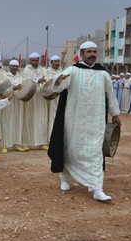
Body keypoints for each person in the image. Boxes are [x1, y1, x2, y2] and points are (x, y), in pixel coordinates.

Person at [44, 41, 121, 202]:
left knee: (95, 152)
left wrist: (115, 114)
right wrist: (58, 81)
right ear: (82, 53)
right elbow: (58, 87)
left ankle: (97, 188)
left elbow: (111, 95)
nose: (92, 54)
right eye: (89, 52)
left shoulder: (103, 74)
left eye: (94, 51)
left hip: (96, 120)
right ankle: (65, 178)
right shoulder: (73, 70)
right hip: (74, 119)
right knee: (70, 149)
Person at [21, 52, 48, 150]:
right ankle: (27, 143)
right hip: (30, 97)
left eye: (36, 60)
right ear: (30, 61)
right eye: (33, 60)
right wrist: (38, 81)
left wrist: (43, 81)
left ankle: (42, 142)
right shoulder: (26, 70)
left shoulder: (43, 70)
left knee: (42, 119)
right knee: (29, 119)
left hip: (40, 98)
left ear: (38, 60)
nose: (35, 62)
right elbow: (26, 82)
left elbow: (47, 79)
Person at [3, 59, 25, 151]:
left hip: (19, 102)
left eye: (16, 66)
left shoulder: (21, 77)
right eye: (13, 66)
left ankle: (17, 144)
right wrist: (14, 88)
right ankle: (6, 145)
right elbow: (4, 92)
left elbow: (24, 88)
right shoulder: (5, 76)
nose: (15, 68)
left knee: (18, 122)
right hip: (9, 102)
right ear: (9, 67)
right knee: (8, 122)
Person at [44, 55, 62, 142]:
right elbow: (46, 85)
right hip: (50, 99)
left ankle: (57, 139)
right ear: (51, 63)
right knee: (49, 118)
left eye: (58, 61)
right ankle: (50, 139)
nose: (57, 63)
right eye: (55, 61)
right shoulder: (47, 72)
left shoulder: (62, 71)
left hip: (60, 98)